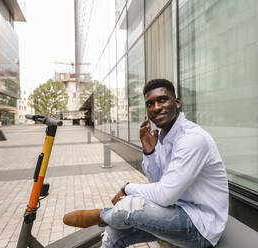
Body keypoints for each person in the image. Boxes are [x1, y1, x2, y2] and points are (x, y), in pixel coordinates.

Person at [63, 79, 228, 247]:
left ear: (177, 103)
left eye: (163, 99)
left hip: (201, 228)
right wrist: (149, 151)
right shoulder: (162, 137)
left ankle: (104, 215)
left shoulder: (192, 139)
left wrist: (127, 188)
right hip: (175, 211)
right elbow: (158, 184)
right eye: (150, 104)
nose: (156, 107)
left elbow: (165, 195)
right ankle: (112, 218)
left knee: (130, 206)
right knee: (113, 234)